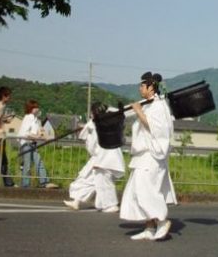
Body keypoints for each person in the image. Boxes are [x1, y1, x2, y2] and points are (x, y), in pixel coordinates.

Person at [119, 72, 177, 241]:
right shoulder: (148, 104)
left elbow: (157, 129)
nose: (140, 88)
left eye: (142, 86)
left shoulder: (159, 106)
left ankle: (162, 220)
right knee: (137, 190)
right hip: (143, 155)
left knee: (146, 189)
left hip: (152, 155)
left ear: (151, 88)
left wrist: (138, 111)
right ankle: (149, 227)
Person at [63, 101, 125, 212]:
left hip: (102, 156)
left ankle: (110, 204)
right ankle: (78, 201)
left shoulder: (96, 125)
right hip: (105, 156)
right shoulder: (109, 121)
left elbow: (93, 145)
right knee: (89, 179)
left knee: (101, 180)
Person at [18, 100, 57, 189]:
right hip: (26, 144)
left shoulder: (35, 119)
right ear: (31, 109)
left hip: (32, 144)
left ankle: (44, 182)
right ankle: (25, 185)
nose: (37, 109)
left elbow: (40, 132)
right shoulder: (29, 117)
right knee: (27, 165)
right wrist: (38, 136)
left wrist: (45, 137)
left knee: (38, 162)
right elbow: (26, 133)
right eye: (35, 107)